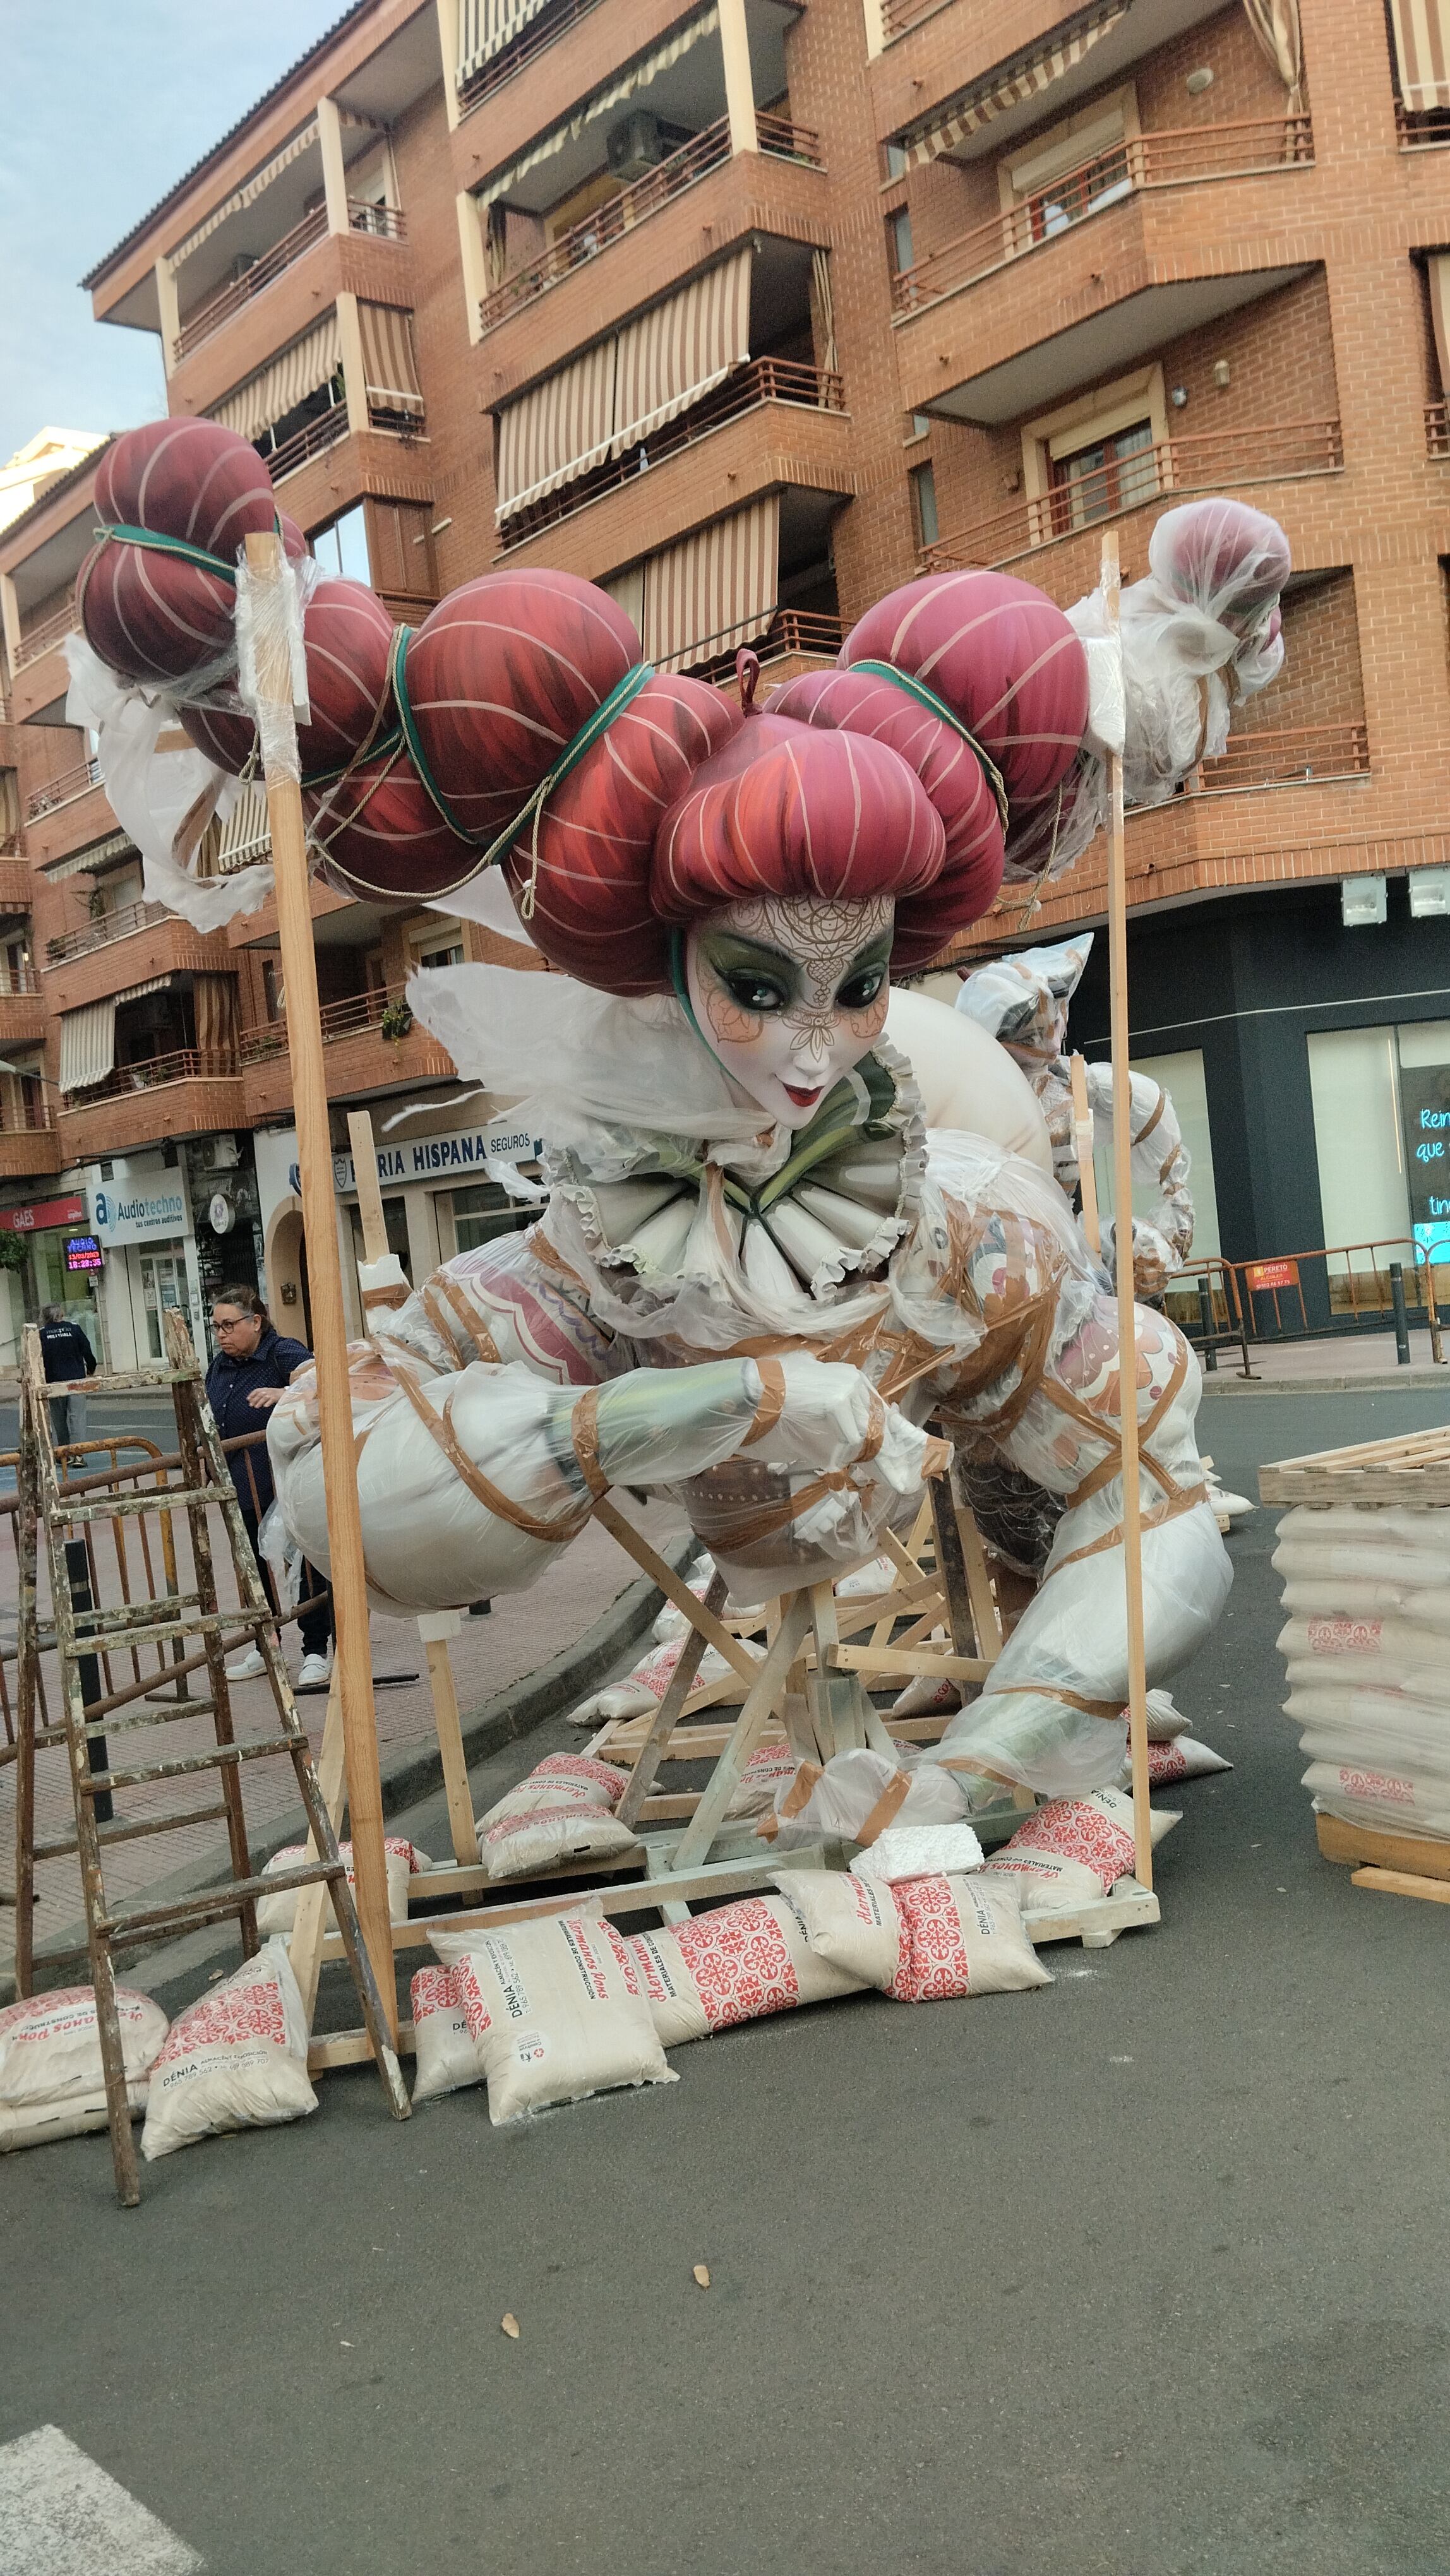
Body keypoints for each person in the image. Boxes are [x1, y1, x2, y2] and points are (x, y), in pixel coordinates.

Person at [270, 506, 1288, 1817]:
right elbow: (341, 1488)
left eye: (856, 979)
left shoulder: (971, 1238)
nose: (812, 1046)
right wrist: (669, 1415)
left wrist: (975, 1778)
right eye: (760, 981)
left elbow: (1156, 1508)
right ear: (670, 958)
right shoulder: (583, 1270)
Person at [205, 1285, 332, 1689]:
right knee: (254, 1569)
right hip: (241, 1486)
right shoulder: (220, 1366)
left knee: (305, 1565)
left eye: (229, 1325)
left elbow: (321, 1377)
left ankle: (315, 1650)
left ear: (255, 1321)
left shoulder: (279, 1352)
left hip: (287, 1487)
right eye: (217, 1327)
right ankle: (266, 1644)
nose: (222, 1334)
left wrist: (284, 1392)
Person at [38, 1304, 97, 1451]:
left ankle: (64, 1452)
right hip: (76, 1379)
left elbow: (37, 1359)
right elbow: (87, 1351)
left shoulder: (41, 1334)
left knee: (59, 1419)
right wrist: (91, 1369)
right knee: (77, 1417)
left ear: (44, 1318)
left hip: (54, 1380)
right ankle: (78, 1453)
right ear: (62, 1314)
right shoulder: (74, 1329)